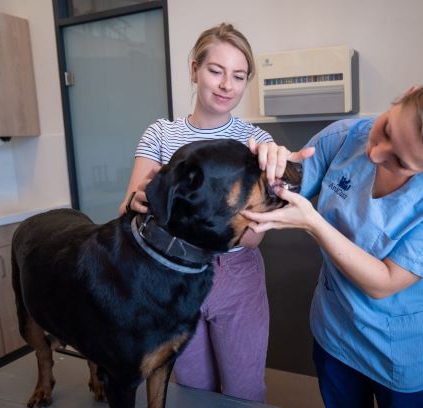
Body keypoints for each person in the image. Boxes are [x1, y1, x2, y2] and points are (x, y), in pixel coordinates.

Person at [242, 82, 423, 408]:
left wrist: (314, 223)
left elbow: (385, 282)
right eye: (386, 128)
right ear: (405, 93)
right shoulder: (344, 136)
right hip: (334, 332)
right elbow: (284, 188)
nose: (375, 153)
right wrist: (270, 162)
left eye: (400, 161)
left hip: (400, 350)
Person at [118, 22, 301, 402]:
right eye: (215, 71)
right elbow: (128, 208)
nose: (225, 85)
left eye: (238, 76)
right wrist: (139, 200)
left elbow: (252, 236)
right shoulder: (161, 135)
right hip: (172, 280)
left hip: (237, 277)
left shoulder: (257, 145)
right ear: (194, 69)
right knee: (192, 387)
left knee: (244, 391)